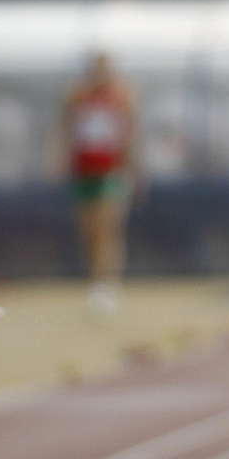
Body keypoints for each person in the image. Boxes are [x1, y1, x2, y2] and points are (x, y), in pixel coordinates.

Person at [59, 52, 135, 316]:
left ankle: (107, 283)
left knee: (107, 226)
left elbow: (130, 135)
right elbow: (65, 131)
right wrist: (61, 160)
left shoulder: (122, 96)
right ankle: (95, 279)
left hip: (110, 170)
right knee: (89, 228)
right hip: (84, 171)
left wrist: (132, 169)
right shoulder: (76, 96)